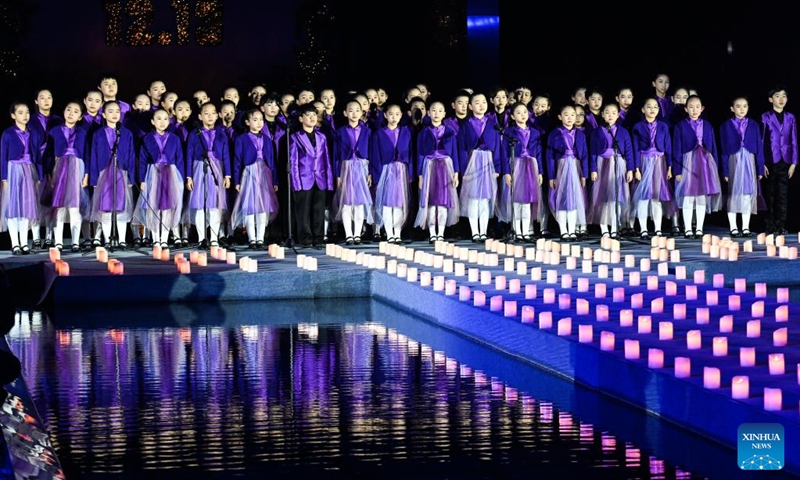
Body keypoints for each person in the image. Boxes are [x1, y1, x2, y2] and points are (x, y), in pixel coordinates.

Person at [132, 108, 185, 248]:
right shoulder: (147, 138)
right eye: (159, 119)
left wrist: (181, 179)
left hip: (171, 174)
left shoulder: (174, 138)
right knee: (153, 206)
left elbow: (179, 159)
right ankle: (155, 238)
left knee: (167, 208)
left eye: (165, 119)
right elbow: (142, 160)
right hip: (153, 173)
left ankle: (164, 238)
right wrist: (142, 180)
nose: (162, 122)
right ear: (152, 121)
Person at [43, 101, 90, 252]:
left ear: (81, 116)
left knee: (75, 207)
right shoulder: (54, 131)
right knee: (60, 207)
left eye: (76, 111)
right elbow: (48, 154)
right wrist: (49, 173)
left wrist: (87, 175)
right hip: (59, 168)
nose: (71, 113)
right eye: (68, 109)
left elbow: (87, 154)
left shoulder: (83, 132)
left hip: (77, 167)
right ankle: (58, 242)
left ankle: (76, 242)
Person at [672, 95, 721, 239]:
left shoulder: (707, 125)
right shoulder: (680, 126)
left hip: (705, 163)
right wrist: (677, 170)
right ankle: (687, 228)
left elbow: (713, 147)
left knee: (701, 197)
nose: (694, 110)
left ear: (702, 108)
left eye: (697, 107)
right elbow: (676, 149)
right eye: (691, 107)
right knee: (688, 196)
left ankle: (699, 228)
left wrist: (715, 168)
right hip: (687, 163)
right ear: (686, 109)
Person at [457, 92, 504, 241]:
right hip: (472, 161)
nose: (481, 105)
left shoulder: (492, 123)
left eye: (484, 102)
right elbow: (462, 148)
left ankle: (483, 231)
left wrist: (497, 168)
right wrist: (464, 170)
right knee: (473, 199)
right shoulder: (466, 124)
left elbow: (497, 148)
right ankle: (475, 231)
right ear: (470, 106)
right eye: (477, 102)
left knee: (484, 199)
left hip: (488, 161)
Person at [89, 100, 136, 247]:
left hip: (121, 172)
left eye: (117, 111)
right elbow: (94, 156)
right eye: (110, 111)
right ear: (103, 114)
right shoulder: (98, 134)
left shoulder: (126, 133)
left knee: (121, 208)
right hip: (104, 173)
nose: (115, 114)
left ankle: (121, 240)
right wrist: (94, 179)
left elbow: (131, 155)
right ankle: (108, 239)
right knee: (106, 208)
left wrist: (131, 177)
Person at [231, 109, 279, 249]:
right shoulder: (241, 139)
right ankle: (252, 238)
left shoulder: (267, 139)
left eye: (261, 120)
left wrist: (275, 180)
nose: (259, 123)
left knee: (264, 207)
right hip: (249, 173)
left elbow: (272, 161)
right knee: (250, 207)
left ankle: (260, 238)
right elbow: (237, 161)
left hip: (264, 174)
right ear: (247, 122)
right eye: (255, 119)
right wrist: (237, 181)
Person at [496, 102, 545, 242]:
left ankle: (526, 231)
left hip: (531, 165)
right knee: (517, 200)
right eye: (518, 112)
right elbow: (504, 153)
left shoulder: (535, 132)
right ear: (512, 116)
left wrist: (540, 172)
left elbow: (539, 153)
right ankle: (517, 230)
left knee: (528, 200)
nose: (523, 115)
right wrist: (506, 172)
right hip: (516, 165)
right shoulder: (509, 133)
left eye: (525, 112)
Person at [185, 102, 231, 247]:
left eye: (213, 113)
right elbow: (189, 155)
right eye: (206, 113)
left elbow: (226, 154)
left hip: (217, 169)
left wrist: (227, 175)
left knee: (215, 205)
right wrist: (189, 176)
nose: (210, 116)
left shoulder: (222, 133)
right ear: (200, 116)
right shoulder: (194, 133)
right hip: (199, 168)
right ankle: (201, 237)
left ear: (218, 115)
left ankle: (214, 238)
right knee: (199, 205)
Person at [0, 101, 42, 254]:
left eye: (27, 112)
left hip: (29, 170)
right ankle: (15, 243)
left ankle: (24, 243)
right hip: (13, 170)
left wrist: (39, 176)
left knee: (26, 207)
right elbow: (3, 156)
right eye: (20, 112)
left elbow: (37, 156)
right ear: (13, 115)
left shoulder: (33, 133)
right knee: (12, 208)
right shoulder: (8, 133)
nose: (25, 115)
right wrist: (4, 177)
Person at [720, 95, 765, 237]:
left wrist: (760, 167)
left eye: (744, 106)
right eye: (738, 106)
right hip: (734, 160)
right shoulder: (725, 126)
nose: (741, 109)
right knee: (733, 195)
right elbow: (724, 150)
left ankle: (745, 227)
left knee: (747, 194)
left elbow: (759, 148)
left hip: (749, 161)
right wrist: (725, 171)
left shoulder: (754, 125)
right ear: (732, 108)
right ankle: (733, 227)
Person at [289, 102, 333, 247]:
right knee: (303, 212)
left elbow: (326, 160)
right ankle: (305, 239)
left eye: (314, 114)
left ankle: (318, 238)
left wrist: (329, 181)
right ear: (301, 118)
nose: (312, 117)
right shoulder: (295, 137)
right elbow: (293, 162)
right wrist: (296, 183)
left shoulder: (322, 137)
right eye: (308, 115)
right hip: (303, 179)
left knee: (319, 211)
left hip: (320, 179)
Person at [587, 103, 634, 238]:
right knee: (603, 198)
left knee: (617, 198)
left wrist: (630, 169)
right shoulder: (596, 132)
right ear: (602, 114)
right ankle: (604, 228)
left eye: (614, 113)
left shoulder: (623, 131)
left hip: (618, 164)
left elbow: (629, 152)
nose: (610, 115)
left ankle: (615, 227)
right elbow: (592, 153)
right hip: (602, 164)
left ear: (618, 115)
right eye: (607, 112)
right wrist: (593, 169)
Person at [631, 98, 676, 237]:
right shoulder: (637, 127)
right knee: (643, 197)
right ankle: (643, 228)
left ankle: (658, 228)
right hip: (644, 161)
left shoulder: (663, 126)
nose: (652, 109)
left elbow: (668, 147)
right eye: (649, 106)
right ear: (643, 109)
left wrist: (669, 166)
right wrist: (637, 168)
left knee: (657, 197)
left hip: (659, 163)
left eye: (655, 107)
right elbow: (635, 148)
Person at [415, 100, 459, 241]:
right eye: (433, 110)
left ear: (444, 114)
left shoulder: (449, 132)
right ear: (428, 112)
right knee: (431, 201)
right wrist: (420, 175)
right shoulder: (423, 132)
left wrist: (456, 173)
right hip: (429, 166)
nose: (437, 113)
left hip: (445, 167)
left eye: (440, 110)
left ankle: (441, 232)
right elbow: (420, 153)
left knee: (443, 201)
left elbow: (455, 153)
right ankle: (432, 232)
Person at [332, 99, 373, 245]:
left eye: (357, 110)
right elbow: (336, 155)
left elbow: (372, 153)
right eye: (351, 110)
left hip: (362, 167)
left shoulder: (367, 131)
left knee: (360, 203)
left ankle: (357, 235)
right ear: (345, 113)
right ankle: (349, 235)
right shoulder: (340, 131)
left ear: (362, 112)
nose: (354, 113)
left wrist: (370, 173)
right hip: (346, 167)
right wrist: (337, 174)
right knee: (347, 203)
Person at [370, 103, 412, 244]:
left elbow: (410, 154)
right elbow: (375, 155)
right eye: (391, 114)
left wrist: (411, 174)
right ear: (386, 115)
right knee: (387, 203)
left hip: (401, 170)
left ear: (401, 115)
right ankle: (389, 233)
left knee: (399, 203)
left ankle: (397, 233)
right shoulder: (379, 133)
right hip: (386, 170)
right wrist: (375, 174)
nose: (394, 117)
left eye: (397, 114)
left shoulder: (405, 132)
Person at [546, 104, 588, 241]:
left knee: (575, 200)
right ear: (560, 117)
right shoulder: (554, 133)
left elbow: (585, 155)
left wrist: (584, 174)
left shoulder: (580, 133)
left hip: (576, 168)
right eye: (566, 114)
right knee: (562, 199)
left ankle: (572, 230)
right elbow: (550, 155)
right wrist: (551, 176)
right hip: (561, 168)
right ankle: (563, 230)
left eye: (572, 115)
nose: (570, 118)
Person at [761, 85, 797, 235]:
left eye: (784, 96)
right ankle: (769, 226)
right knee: (769, 193)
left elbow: (794, 139)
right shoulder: (765, 116)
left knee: (782, 194)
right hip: (770, 160)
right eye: (777, 96)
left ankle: (781, 225)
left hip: (786, 161)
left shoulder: (791, 117)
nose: (781, 99)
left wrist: (794, 162)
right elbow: (762, 140)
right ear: (771, 99)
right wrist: (761, 162)